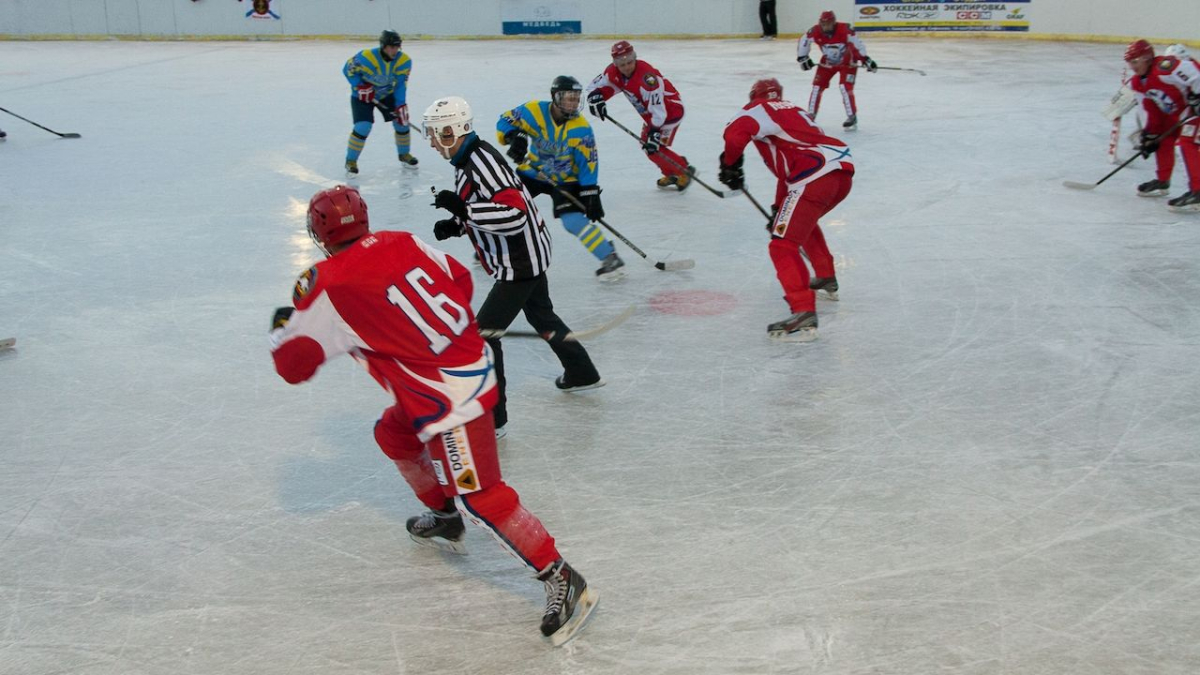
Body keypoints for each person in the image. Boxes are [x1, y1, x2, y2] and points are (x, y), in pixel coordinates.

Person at [269, 184, 598, 646]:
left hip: (448, 397)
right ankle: (443, 514)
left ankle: (562, 578)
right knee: (394, 435)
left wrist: (283, 328)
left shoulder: (325, 284)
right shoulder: (401, 240)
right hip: (453, 372)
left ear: (318, 233)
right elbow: (459, 279)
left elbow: (294, 366)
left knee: (482, 495)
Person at [423, 96, 606, 436]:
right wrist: (459, 225)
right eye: (431, 134)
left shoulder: (481, 164)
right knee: (542, 316)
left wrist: (466, 214)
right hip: (527, 254)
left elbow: (515, 215)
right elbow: (488, 207)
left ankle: (493, 418)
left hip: (519, 261)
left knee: (483, 336)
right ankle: (582, 372)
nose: (434, 142)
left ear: (458, 130)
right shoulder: (469, 158)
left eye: (440, 134)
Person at [717, 79, 854, 342]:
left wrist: (730, 164)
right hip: (839, 174)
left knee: (782, 246)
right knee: (803, 223)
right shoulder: (795, 112)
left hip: (814, 177)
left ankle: (803, 310)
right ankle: (825, 275)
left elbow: (735, 134)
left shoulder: (757, 107)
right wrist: (779, 208)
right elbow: (789, 173)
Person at [497, 76, 625, 280]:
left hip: (567, 180)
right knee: (507, 208)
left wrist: (590, 192)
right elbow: (505, 120)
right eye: (568, 98)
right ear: (555, 97)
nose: (573, 103)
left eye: (576, 99)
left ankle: (608, 256)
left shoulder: (581, 128)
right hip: (533, 172)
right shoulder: (534, 111)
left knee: (573, 222)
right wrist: (515, 137)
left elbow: (588, 163)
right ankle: (492, 249)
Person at [586, 41, 693, 191]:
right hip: (652, 115)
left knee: (654, 147)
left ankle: (683, 170)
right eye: (622, 65)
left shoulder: (647, 79)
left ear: (634, 58)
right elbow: (595, 87)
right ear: (616, 64)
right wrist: (597, 98)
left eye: (629, 62)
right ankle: (671, 173)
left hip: (670, 113)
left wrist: (655, 131)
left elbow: (659, 110)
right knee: (648, 146)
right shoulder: (613, 72)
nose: (627, 67)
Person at [1126, 40, 1200, 209]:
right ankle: (1162, 181)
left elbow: (1196, 75)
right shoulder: (1137, 82)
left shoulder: (1166, 67)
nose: (1132, 66)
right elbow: (1148, 109)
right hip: (1178, 114)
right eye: (1130, 62)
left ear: (1147, 58)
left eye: (1135, 61)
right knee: (1161, 139)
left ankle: (1198, 191)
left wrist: (1198, 96)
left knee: (1186, 142)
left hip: (1194, 111)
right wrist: (1149, 134)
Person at [342, 30, 416, 177]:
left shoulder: (404, 61)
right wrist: (359, 86)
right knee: (363, 126)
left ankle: (404, 154)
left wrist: (401, 105)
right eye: (391, 47)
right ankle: (351, 161)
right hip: (363, 96)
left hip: (386, 94)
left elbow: (401, 85)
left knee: (402, 122)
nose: (394, 50)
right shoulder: (366, 57)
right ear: (383, 46)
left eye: (397, 47)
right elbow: (347, 69)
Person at [796, 10, 877, 130]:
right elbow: (804, 40)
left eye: (828, 24)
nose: (825, 27)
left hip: (848, 63)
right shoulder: (815, 31)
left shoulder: (845, 30)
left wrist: (865, 59)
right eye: (823, 24)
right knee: (817, 87)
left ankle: (851, 116)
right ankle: (811, 115)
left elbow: (857, 44)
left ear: (834, 23)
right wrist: (803, 58)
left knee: (845, 87)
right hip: (828, 62)